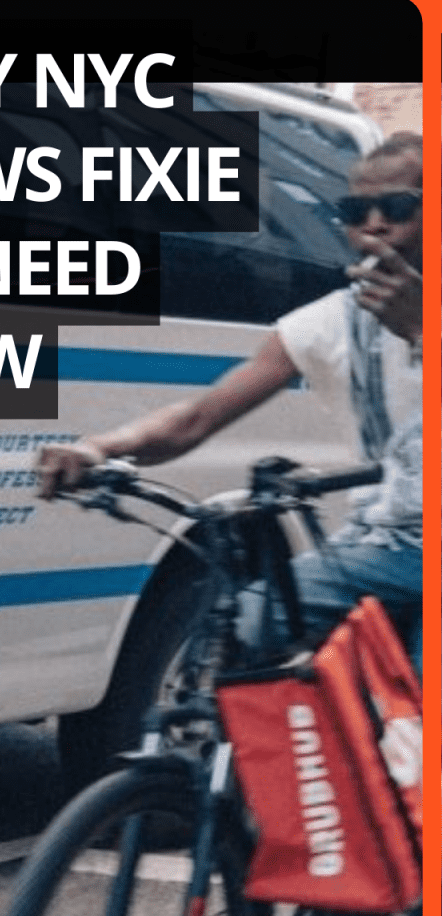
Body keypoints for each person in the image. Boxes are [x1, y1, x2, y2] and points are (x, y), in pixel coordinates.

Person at [38, 133, 423, 676]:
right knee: (247, 632)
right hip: (380, 546)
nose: (375, 225)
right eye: (357, 211)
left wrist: (420, 328)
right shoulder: (331, 321)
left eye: (398, 207)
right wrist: (102, 448)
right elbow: (198, 416)